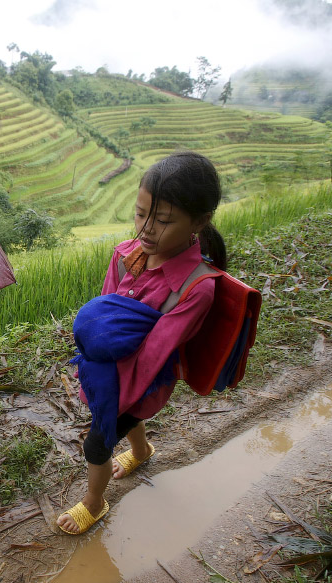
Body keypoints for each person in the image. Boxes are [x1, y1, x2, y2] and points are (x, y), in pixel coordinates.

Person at [57, 151, 227, 534]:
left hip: (144, 381)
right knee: (117, 424)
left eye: (163, 221)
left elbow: (155, 355)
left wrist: (112, 402)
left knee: (97, 444)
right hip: (107, 369)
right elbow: (104, 311)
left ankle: (94, 502)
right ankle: (141, 451)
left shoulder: (195, 289)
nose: (146, 229)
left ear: (199, 222)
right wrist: (93, 367)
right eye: (140, 214)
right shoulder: (126, 255)